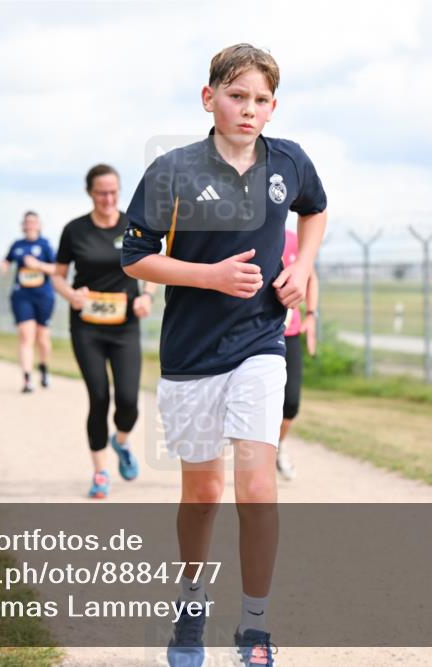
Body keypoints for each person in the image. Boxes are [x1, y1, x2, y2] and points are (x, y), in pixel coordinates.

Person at [122, 44, 327, 667]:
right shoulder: (174, 170)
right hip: (191, 353)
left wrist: (303, 269)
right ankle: (191, 602)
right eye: (238, 96)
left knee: (257, 485)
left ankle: (256, 630)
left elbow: (314, 210)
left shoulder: (289, 160)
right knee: (203, 494)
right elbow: (134, 255)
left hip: (262, 343)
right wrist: (208, 277)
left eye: (262, 100)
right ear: (209, 97)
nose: (250, 109)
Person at [54, 164, 156, 499]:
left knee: (128, 400)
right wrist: (71, 294)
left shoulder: (133, 225)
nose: (108, 198)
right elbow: (58, 275)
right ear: (90, 193)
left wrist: (146, 295)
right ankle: (100, 472)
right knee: (99, 397)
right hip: (87, 327)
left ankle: (121, 441)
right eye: (101, 192)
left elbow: (153, 267)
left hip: (125, 325)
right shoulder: (74, 230)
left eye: (113, 191)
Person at [276, 229, 319, 481]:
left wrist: (311, 316)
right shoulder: (242, 234)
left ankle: (277, 447)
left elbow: (311, 277)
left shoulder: (294, 239)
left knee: (290, 403)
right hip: (252, 334)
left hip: (288, 333)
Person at [1, 211, 57, 393]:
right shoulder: (17, 245)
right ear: (23, 226)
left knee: (42, 337)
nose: (30, 225)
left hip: (43, 296)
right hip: (21, 295)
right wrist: (4, 266)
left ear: (39, 225)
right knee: (26, 336)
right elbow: (7, 261)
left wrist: (38, 265)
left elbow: (56, 268)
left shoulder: (45, 245)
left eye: (34, 222)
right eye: (27, 222)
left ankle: (44, 368)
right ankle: (27, 379)